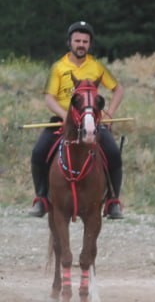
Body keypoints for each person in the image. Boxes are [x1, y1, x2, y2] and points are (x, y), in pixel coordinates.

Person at [29, 21, 126, 219]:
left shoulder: (97, 66)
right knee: (39, 153)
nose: (81, 44)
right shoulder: (58, 67)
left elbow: (118, 89)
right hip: (62, 120)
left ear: (89, 44)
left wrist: (109, 114)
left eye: (85, 41)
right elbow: (49, 97)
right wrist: (65, 116)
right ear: (69, 42)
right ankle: (41, 199)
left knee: (114, 154)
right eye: (77, 41)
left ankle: (112, 202)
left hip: (91, 121)